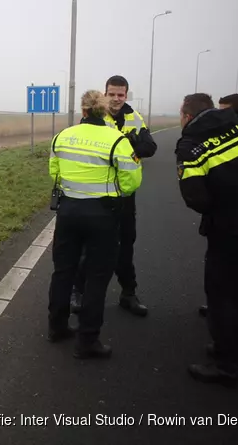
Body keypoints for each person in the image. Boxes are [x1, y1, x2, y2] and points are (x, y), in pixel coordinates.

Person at [176, 93, 238, 386]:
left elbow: (197, 198)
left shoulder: (190, 146)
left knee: (222, 293)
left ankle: (227, 365)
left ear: (187, 116)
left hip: (229, 229)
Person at [48, 90, 143, 359]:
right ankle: (87, 340)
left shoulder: (62, 136)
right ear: (104, 111)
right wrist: (115, 193)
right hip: (102, 214)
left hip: (67, 211)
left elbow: (53, 172)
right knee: (97, 277)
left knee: (63, 271)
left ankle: (56, 327)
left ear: (84, 111)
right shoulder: (117, 139)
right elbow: (131, 181)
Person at [71, 75, 157, 318]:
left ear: (126, 95)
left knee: (125, 246)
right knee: (89, 247)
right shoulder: (96, 115)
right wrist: (125, 147)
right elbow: (86, 147)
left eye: (121, 94)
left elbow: (150, 147)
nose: (117, 99)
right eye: (112, 94)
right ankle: (78, 291)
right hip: (97, 193)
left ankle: (128, 294)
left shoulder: (134, 117)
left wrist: (126, 147)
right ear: (105, 94)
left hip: (125, 193)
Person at [199, 94, 238, 318]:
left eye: (223, 112)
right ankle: (221, 309)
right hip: (222, 219)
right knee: (220, 270)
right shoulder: (219, 139)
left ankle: (235, 323)